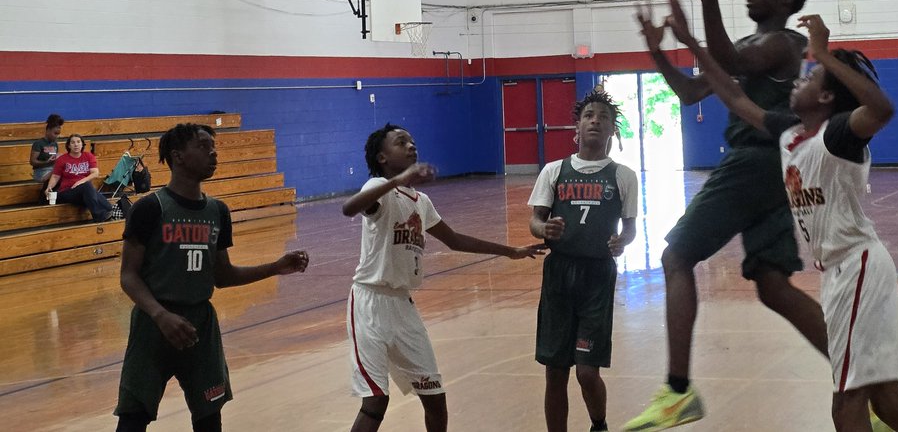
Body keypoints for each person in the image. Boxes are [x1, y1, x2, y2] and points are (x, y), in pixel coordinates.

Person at [667, 0, 898, 432]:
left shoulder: (839, 134)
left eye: (811, 77)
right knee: (887, 400)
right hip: (838, 273)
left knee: (846, 406)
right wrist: (691, 44)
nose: (800, 79)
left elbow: (882, 111)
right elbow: (735, 95)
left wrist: (825, 54)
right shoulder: (790, 132)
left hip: (859, 266)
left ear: (827, 96)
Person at [626, 0, 828, 432]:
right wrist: (659, 54)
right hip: (772, 169)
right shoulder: (747, 47)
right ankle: (867, 385)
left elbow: (732, 64)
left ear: (785, 1)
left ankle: (677, 392)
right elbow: (691, 92)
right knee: (774, 287)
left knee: (676, 255)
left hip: (754, 161)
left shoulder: (782, 43)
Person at [344, 123, 546, 432]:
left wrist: (510, 251)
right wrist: (397, 180)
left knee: (435, 395)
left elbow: (454, 240)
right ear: (383, 158)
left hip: (403, 307)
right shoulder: (377, 188)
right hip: (369, 303)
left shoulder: (420, 202)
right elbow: (349, 208)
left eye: (412, 140)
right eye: (401, 142)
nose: (411, 145)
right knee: (375, 403)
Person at [113, 123, 309, 432]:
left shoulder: (218, 211)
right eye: (203, 147)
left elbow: (223, 275)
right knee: (133, 419)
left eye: (213, 147)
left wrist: (275, 266)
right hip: (153, 326)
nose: (213, 153)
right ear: (178, 156)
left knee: (209, 420)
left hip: (201, 325)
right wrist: (160, 315)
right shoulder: (150, 208)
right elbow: (128, 276)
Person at [529, 88, 639, 432]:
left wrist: (622, 242)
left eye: (603, 117)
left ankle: (599, 424)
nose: (595, 120)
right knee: (555, 371)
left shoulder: (623, 176)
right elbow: (535, 222)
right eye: (589, 115)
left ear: (612, 131)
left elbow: (631, 229)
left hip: (597, 276)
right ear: (576, 127)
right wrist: (544, 228)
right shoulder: (554, 171)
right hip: (559, 274)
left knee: (587, 371)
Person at [46, 132, 114, 221]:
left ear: (82, 144)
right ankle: (99, 216)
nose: (76, 144)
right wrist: (49, 187)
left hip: (84, 191)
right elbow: (55, 176)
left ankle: (109, 213)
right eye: (73, 142)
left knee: (104, 204)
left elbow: (95, 173)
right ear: (69, 146)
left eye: (78, 142)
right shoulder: (62, 159)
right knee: (88, 187)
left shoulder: (88, 156)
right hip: (67, 191)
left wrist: (80, 182)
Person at [30, 113, 63, 183]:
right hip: (40, 172)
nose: (57, 136)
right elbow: (32, 162)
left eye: (58, 134)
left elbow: (54, 158)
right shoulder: (39, 143)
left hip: (52, 170)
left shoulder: (55, 144)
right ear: (48, 131)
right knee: (55, 176)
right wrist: (46, 162)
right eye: (55, 133)